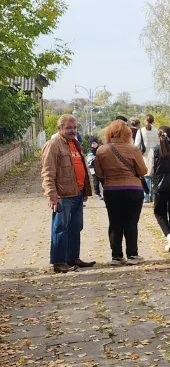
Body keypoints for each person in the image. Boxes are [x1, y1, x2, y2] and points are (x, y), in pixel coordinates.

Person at [40, 115, 95, 273]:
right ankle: (59, 262)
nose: (72, 131)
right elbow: (47, 172)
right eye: (68, 128)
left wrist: (84, 190)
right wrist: (51, 194)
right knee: (61, 228)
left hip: (77, 193)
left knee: (76, 227)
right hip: (63, 195)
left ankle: (72, 258)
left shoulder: (75, 144)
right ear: (59, 129)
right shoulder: (53, 145)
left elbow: (81, 168)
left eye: (74, 128)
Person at [96, 120, 149, 266]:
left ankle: (116, 257)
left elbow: (99, 173)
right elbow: (143, 171)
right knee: (131, 222)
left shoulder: (101, 150)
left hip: (112, 190)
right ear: (127, 133)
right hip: (133, 190)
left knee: (115, 223)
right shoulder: (133, 149)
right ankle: (132, 254)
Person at [135, 114, 160, 203]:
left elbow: (137, 145)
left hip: (144, 156)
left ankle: (146, 196)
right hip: (155, 156)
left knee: (146, 177)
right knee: (154, 177)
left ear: (145, 121)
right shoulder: (156, 131)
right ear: (153, 121)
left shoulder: (140, 131)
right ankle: (154, 196)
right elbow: (158, 144)